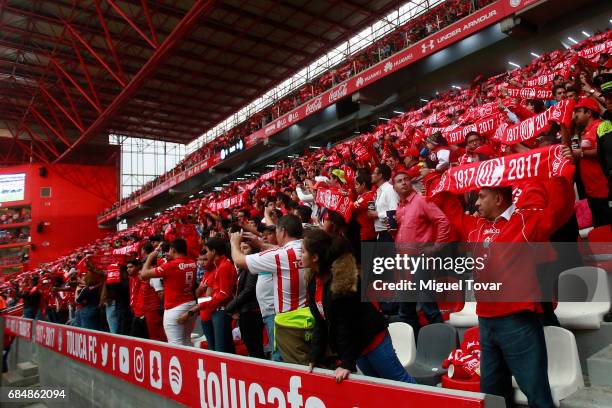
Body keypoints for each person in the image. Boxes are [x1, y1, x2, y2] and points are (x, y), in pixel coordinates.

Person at [437, 147, 575, 407]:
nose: (475, 203)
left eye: (481, 196)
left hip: (518, 323)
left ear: (499, 198)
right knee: (493, 394)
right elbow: (450, 212)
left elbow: (560, 208)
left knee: (537, 394)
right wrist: (441, 184)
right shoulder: (475, 226)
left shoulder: (525, 221)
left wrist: (561, 173)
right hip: (486, 324)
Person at [303, 229, 416, 384]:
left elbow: (345, 325)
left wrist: (347, 363)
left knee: (401, 383)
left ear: (315, 257)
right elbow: (320, 323)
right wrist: (314, 357)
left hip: (372, 340)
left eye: (303, 251)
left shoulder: (342, 284)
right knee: (377, 388)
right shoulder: (313, 283)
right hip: (357, 347)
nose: (299, 255)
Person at [230, 214, 309, 364]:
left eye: (276, 231)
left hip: (287, 323)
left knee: (286, 363)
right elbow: (280, 249)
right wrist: (259, 244)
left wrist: (234, 243)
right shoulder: (308, 248)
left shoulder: (280, 255)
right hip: (309, 316)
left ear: (283, 231)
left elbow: (239, 260)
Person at [393, 170, 450, 336]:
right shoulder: (400, 208)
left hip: (419, 259)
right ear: (394, 187)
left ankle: (445, 346)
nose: (403, 182)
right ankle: (415, 348)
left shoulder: (422, 200)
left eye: (406, 179)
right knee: (406, 308)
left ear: (411, 182)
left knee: (428, 305)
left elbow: (443, 221)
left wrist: (436, 247)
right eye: (399, 181)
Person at [181, 237, 237, 353]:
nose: (206, 255)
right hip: (215, 311)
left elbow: (223, 294)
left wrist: (196, 308)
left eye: (207, 251)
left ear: (214, 251)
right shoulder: (219, 266)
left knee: (220, 351)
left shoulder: (224, 266)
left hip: (220, 311)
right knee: (222, 350)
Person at [140, 238, 197, 346]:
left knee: (175, 345)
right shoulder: (192, 263)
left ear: (173, 250)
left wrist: (150, 257)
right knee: (187, 342)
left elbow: (143, 274)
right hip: (190, 304)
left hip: (174, 308)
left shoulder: (170, 266)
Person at [572, 97, 610, 226]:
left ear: (588, 113)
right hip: (591, 190)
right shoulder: (581, 131)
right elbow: (574, 151)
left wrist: (582, 153)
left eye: (578, 111)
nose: (575, 115)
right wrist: (573, 129)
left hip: (604, 189)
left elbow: (604, 151)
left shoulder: (602, 126)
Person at [226, 241, 265, 358]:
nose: (242, 251)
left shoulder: (252, 268)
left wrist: (230, 307)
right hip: (245, 312)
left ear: (253, 250)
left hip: (251, 313)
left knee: (255, 349)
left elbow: (249, 290)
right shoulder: (244, 269)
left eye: (246, 248)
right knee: (251, 348)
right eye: (240, 248)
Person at [368, 163, 399, 242]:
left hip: (389, 234)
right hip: (382, 234)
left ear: (380, 175)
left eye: (374, 173)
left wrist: (377, 214)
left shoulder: (389, 190)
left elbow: (395, 212)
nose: (371, 175)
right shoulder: (380, 190)